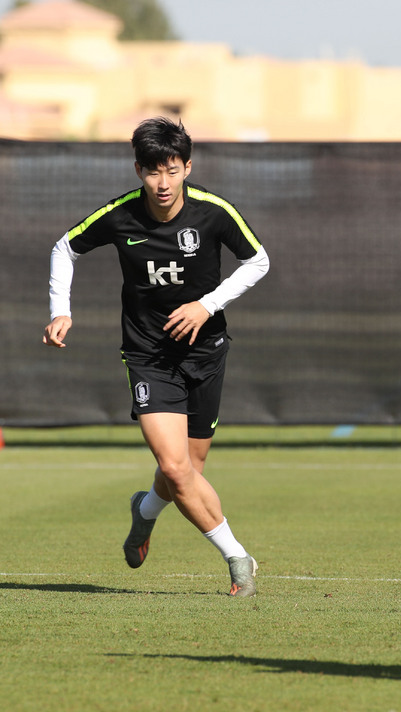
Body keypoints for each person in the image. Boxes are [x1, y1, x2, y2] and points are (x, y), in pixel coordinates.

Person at [43, 117, 269, 597]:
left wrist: (206, 304)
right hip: (148, 354)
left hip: (206, 352)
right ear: (138, 170)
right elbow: (65, 248)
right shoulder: (121, 214)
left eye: (171, 169)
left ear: (187, 166)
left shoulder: (213, 211)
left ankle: (144, 513)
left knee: (188, 469)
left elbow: (259, 260)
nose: (162, 183)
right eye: (151, 171)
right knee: (174, 467)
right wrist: (60, 311)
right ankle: (238, 558)